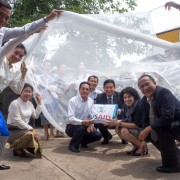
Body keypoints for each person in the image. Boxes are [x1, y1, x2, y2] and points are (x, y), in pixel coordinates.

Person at [138, 74, 180, 173]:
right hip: (171, 125)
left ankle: (173, 165)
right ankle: (175, 156)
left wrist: (148, 129)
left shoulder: (163, 93)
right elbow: (145, 120)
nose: (145, 88)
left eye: (147, 84)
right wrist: (143, 139)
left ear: (155, 83)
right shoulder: (143, 101)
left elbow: (167, 117)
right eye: (142, 87)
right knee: (151, 133)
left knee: (161, 130)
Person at [108, 87, 146, 156]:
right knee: (118, 129)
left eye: (129, 97)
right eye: (125, 97)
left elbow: (136, 124)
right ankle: (136, 146)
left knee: (124, 131)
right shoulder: (126, 106)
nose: (127, 99)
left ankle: (142, 146)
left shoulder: (139, 106)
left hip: (143, 130)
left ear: (134, 96)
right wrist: (115, 122)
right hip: (135, 129)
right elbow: (125, 119)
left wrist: (119, 123)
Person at [7, 83, 42, 158]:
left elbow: (36, 116)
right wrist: (31, 129)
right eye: (26, 91)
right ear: (20, 92)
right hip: (13, 131)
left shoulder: (30, 104)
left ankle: (20, 147)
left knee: (34, 137)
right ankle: (15, 147)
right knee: (30, 135)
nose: (28, 93)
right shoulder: (14, 103)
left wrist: (39, 103)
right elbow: (17, 120)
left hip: (24, 130)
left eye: (30, 92)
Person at [66, 81, 102, 153]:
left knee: (98, 135)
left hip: (86, 125)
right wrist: (82, 122)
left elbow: (92, 115)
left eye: (87, 89)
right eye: (83, 89)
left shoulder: (91, 101)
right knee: (81, 127)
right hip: (72, 126)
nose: (85, 91)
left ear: (89, 91)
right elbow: (70, 118)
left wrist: (91, 125)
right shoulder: (72, 101)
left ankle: (82, 142)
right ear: (79, 90)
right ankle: (73, 145)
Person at [95, 79, 127, 145]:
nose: (109, 89)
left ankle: (124, 138)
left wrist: (118, 111)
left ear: (114, 88)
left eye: (111, 87)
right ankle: (106, 137)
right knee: (97, 122)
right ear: (103, 88)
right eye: (107, 87)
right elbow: (97, 110)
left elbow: (126, 109)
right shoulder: (99, 97)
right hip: (105, 119)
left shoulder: (121, 95)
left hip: (118, 118)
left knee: (125, 120)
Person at [1, 43, 27, 120]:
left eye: (20, 56)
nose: (17, 57)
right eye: (16, 52)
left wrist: (23, 75)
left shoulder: (12, 71)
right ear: (9, 48)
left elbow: (18, 90)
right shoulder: (1, 59)